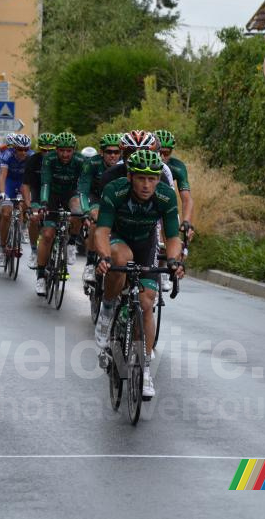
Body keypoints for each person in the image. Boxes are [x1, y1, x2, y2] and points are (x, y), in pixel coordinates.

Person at [93, 150, 185, 399]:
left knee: (146, 303)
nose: (147, 185)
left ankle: (144, 371)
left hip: (146, 244)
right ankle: (108, 308)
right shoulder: (115, 190)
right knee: (120, 259)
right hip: (118, 238)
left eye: (152, 179)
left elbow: (173, 236)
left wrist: (175, 260)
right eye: (141, 178)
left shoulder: (165, 196)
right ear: (131, 176)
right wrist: (103, 257)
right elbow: (102, 231)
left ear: (158, 179)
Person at [34, 132, 85, 296]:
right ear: (56, 150)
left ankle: (71, 243)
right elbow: (45, 182)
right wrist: (43, 203)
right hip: (52, 195)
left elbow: (83, 186)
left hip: (70, 193)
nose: (65, 154)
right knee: (48, 234)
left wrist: (85, 207)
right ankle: (41, 276)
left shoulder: (80, 161)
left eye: (68, 151)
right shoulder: (49, 159)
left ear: (74, 150)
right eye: (61, 150)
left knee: (78, 211)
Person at [77, 133, 121, 283]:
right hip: (95, 197)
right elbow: (82, 191)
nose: (113, 155)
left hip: (115, 200)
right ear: (101, 152)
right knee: (96, 219)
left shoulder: (124, 165)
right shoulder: (92, 164)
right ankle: (90, 263)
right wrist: (85, 211)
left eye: (116, 152)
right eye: (109, 152)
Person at [0, 134, 32, 266]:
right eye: (19, 149)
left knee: (25, 206)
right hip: (9, 183)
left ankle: (22, 230)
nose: (23, 152)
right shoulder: (7, 155)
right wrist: (2, 193)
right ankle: (2, 247)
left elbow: (33, 178)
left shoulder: (31, 157)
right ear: (14, 148)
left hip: (23, 183)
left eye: (25, 149)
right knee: (6, 214)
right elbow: (2, 176)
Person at [22, 132, 55, 269]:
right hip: (37, 193)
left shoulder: (59, 161)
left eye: (50, 150)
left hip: (54, 195)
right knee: (34, 219)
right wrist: (28, 205)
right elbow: (26, 185)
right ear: (39, 149)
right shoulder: (32, 160)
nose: (47, 153)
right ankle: (34, 250)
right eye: (43, 150)